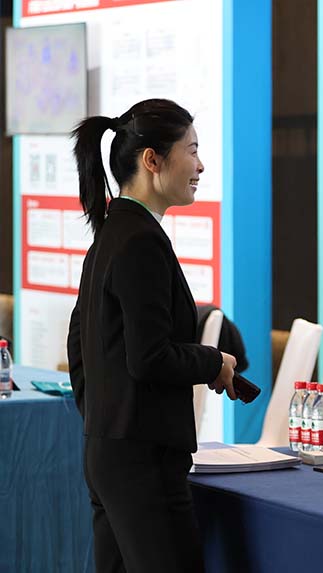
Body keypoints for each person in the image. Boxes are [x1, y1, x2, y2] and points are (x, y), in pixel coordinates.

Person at [67, 99, 238, 572]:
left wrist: (102, 418)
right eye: (192, 150)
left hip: (109, 451)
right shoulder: (140, 239)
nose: (200, 165)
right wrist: (213, 361)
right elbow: (149, 357)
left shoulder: (113, 231)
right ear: (152, 160)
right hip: (143, 458)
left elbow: (79, 343)